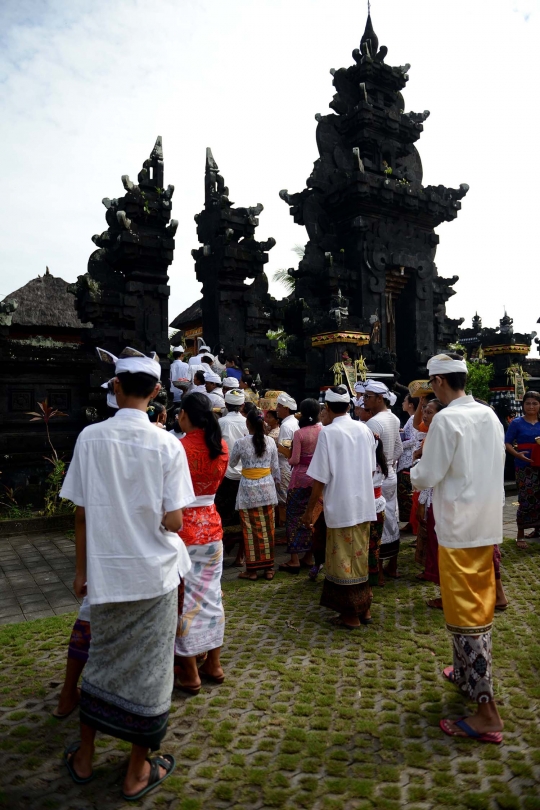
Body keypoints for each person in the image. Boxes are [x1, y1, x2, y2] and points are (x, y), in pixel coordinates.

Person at [59, 346, 194, 799]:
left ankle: (84, 756)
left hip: (106, 576)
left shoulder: (90, 438)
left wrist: (81, 570)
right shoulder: (166, 444)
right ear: (157, 391)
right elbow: (175, 520)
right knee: (151, 672)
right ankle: (137, 771)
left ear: (115, 388)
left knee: (101, 661)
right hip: (154, 576)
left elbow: (80, 514)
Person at [410, 353, 505, 744]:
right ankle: (466, 675)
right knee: (473, 605)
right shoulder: (488, 415)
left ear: (438, 383)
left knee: (467, 614)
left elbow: (427, 475)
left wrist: (414, 468)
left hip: (458, 527)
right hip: (486, 523)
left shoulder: (447, 419)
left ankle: (487, 712)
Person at [301, 386, 377, 629]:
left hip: (342, 507)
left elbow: (319, 478)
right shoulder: (364, 430)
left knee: (344, 563)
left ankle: (350, 615)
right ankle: (363, 609)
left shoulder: (329, 433)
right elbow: (372, 468)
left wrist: (309, 510)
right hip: (364, 505)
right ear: (349, 406)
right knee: (359, 560)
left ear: (327, 408)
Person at [174, 393, 229, 694]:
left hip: (183, 529)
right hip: (212, 526)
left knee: (185, 600)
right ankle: (214, 663)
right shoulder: (220, 446)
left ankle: (190, 671)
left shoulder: (179, 448)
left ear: (184, 415)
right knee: (211, 597)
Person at [229, 408, 281, 580]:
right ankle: (268, 569)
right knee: (268, 530)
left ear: (247, 423)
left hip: (248, 491)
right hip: (267, 490)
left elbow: (232, 462)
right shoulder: (271, 442)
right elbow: (275, 468)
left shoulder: (241, 443)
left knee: (250, 531)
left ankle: (251, 570)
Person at [363, 381, 403, 583]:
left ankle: (377, 570)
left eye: (368, 396)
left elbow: (369, 457)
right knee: (391, 517)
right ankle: (392, 565)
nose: (364, 400)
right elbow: (399, 449)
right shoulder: (394, 418)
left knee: (377, 521)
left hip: (376, 477)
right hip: (390, 473)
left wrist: (381, 465)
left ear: (380, 398)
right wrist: (389, 464)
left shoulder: (373, 423)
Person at [280, 399, 322, 573]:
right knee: (313, 517)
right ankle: (309, 556)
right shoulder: (322, 430)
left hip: (299, 479)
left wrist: (286, 455)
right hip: (317, 478)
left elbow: (295, 460)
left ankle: (294, 559)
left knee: (293, 517)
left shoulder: (300, 433)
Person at [413, 399, 446, 607]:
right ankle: (432, 573)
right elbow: (418, 424)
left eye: (430, 412)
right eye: (425, 411)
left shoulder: (441, 434)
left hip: (438, 491)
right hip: (431, 490)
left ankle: (447, 592)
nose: (426, 415)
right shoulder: (431, 432)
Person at [215, 389, 249, 565]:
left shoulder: (221, 423)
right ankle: (239, 556)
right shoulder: (247, 422)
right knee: (242, 516)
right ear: (242, 405)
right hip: (245, 476)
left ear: (226, 405)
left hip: (226, 475)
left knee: (222, 515)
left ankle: (219, 553)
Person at [504, 390, 540, 549]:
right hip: (524, 467)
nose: (531, 406)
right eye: (528, 403)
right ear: (523, 405)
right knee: (526, 499)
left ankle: (537, 530)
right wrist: (517, 455)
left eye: (535, 403)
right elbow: (507, 443)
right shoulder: (517, 423)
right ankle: (520, 534)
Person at [275, 392, 299, 523]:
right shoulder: (294, 422)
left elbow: (285, 450)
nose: (277, 410)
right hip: (290, 466)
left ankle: (284, 527)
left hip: (284, 465)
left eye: (279, 407)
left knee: (283, 499)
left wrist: (274, 446)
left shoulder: (286, 425)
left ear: (286, 408)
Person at [396, 394, 419, 533]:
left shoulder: (413, 419)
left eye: (405, 401)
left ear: (411, 404)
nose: (403, 403)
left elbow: (413, 440)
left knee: (408, 495)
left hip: (408, 460)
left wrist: (398, 443)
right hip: (406, 459)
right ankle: (412, 523)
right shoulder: (411, 419)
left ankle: (413, 524)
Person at [369, 436, 388, 590]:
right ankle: (376, 573)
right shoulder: (382, 463)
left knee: (367, 544)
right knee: (375, 544)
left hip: (370, 507)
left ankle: (370, 574)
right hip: (379, 508)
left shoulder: (369, 466)